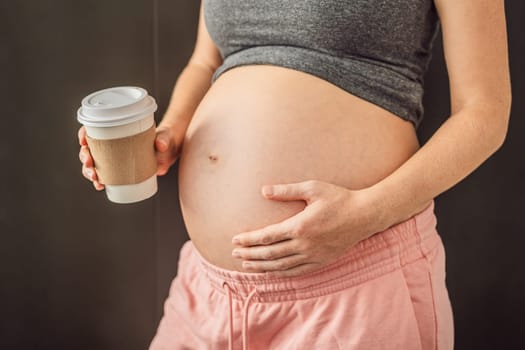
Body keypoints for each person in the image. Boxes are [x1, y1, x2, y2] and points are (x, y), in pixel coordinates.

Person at [78, 0, 511, 349]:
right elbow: (204, 62)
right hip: (208, 292)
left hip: (350, 286)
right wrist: (168, 134)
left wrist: (365, 214)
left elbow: (485, 114)